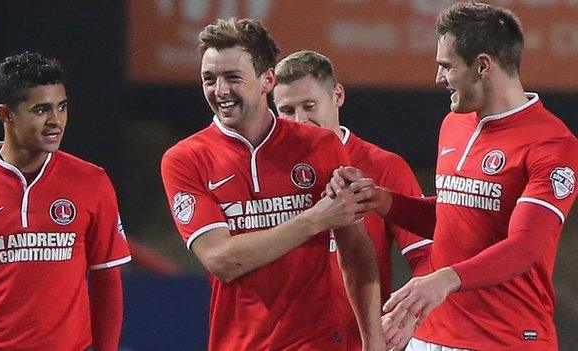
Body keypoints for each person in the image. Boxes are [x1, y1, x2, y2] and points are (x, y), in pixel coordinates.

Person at [330, 2, 578, 350]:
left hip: (505, 339)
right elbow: (456, 214)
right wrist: (385, 201)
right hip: (432, 333)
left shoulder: (552, 144)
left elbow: (526, 246)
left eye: (446, 66)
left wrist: (445, 278)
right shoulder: (454, 123)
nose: (438, 78)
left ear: (482, 66)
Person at [161, 18, 385, 350]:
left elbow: (356, 250)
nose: (219, 91)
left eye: (232, 77)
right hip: (240, 343)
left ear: (267, 80)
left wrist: (373, 340)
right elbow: (223, 261)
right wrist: (314, 219)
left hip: (318, 342)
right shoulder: (185, 159)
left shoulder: (320, 146)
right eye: (209, 79)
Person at [0, 52, 132, 350]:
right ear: (6, 114)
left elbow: (107, 282)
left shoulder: (92, 181)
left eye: (61, 107)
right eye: (41, 110)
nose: (56, 121)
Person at [273, 50, 432, 349]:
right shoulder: (268, 172)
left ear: (337, 95)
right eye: (287, 111)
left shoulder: (384, 167)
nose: (300, 121)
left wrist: (407, 314)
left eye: (310, 106)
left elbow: (427, 255)